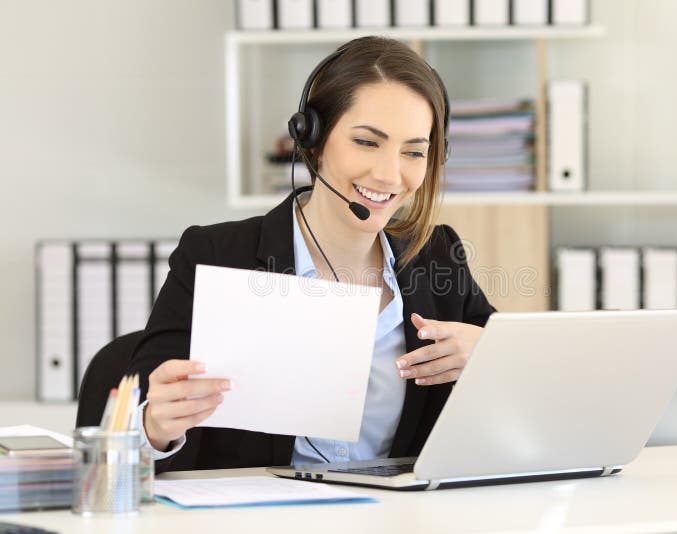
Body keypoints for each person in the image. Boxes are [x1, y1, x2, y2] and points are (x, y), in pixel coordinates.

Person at [127, 36, 496, 473]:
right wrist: (154, 426)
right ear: (312, 139)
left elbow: (518, 419)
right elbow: (128, 440)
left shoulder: (438, 257)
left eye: (414, 151)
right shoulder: (215, 255)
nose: (389, 173)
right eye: (366, 142)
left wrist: (491, 360)